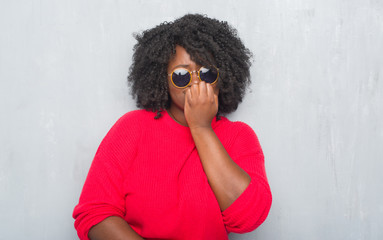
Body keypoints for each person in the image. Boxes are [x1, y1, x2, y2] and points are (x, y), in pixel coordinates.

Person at [73, 13, 272, 240]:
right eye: (181, 75)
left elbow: (249, 218)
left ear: (223, 76)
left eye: (207, 73)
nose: (196, 83)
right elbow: (95, 214)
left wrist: (201, 128)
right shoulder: (132, 128)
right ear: (162, 79)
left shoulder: (238, 136)